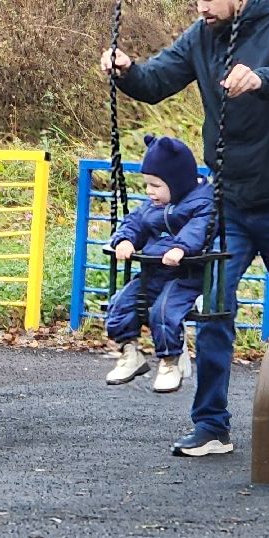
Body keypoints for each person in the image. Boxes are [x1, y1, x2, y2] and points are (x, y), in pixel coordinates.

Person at [99, 0, 269, 457]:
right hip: (228, 201)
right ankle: (211, 424)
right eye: (196, 0)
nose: (201, 8)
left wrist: (261, 79)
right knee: (212, 309)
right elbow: (157, 81)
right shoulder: (202, 38)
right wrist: (126, 70)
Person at [103, 134, 214, 394]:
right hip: (153, 273)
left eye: (156, 185)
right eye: (147, 185)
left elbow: (200, 228)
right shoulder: (152, 206)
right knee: (120, 304)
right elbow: (134, 222)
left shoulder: (202, 202)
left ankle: (169, 362)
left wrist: (181, 247)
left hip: (185, 276)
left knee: (163, 312)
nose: (150, 191)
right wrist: (125, 240)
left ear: (176, 183)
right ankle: (131, 353)